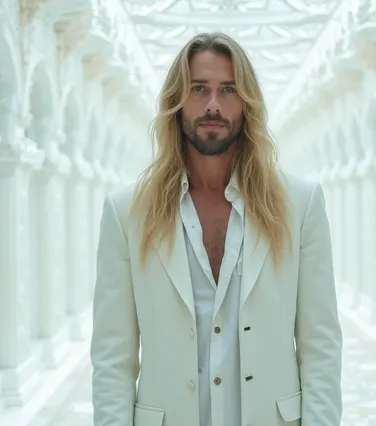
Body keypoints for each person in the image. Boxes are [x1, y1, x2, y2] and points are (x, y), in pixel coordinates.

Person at [90, 31, 343, 426]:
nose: (213, 105)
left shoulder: (300, 204)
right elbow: (112, 358)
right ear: (176, 101)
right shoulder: (126, 212)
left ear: (247, 104)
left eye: (228, 90)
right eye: (198, 89)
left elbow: (320, 346)